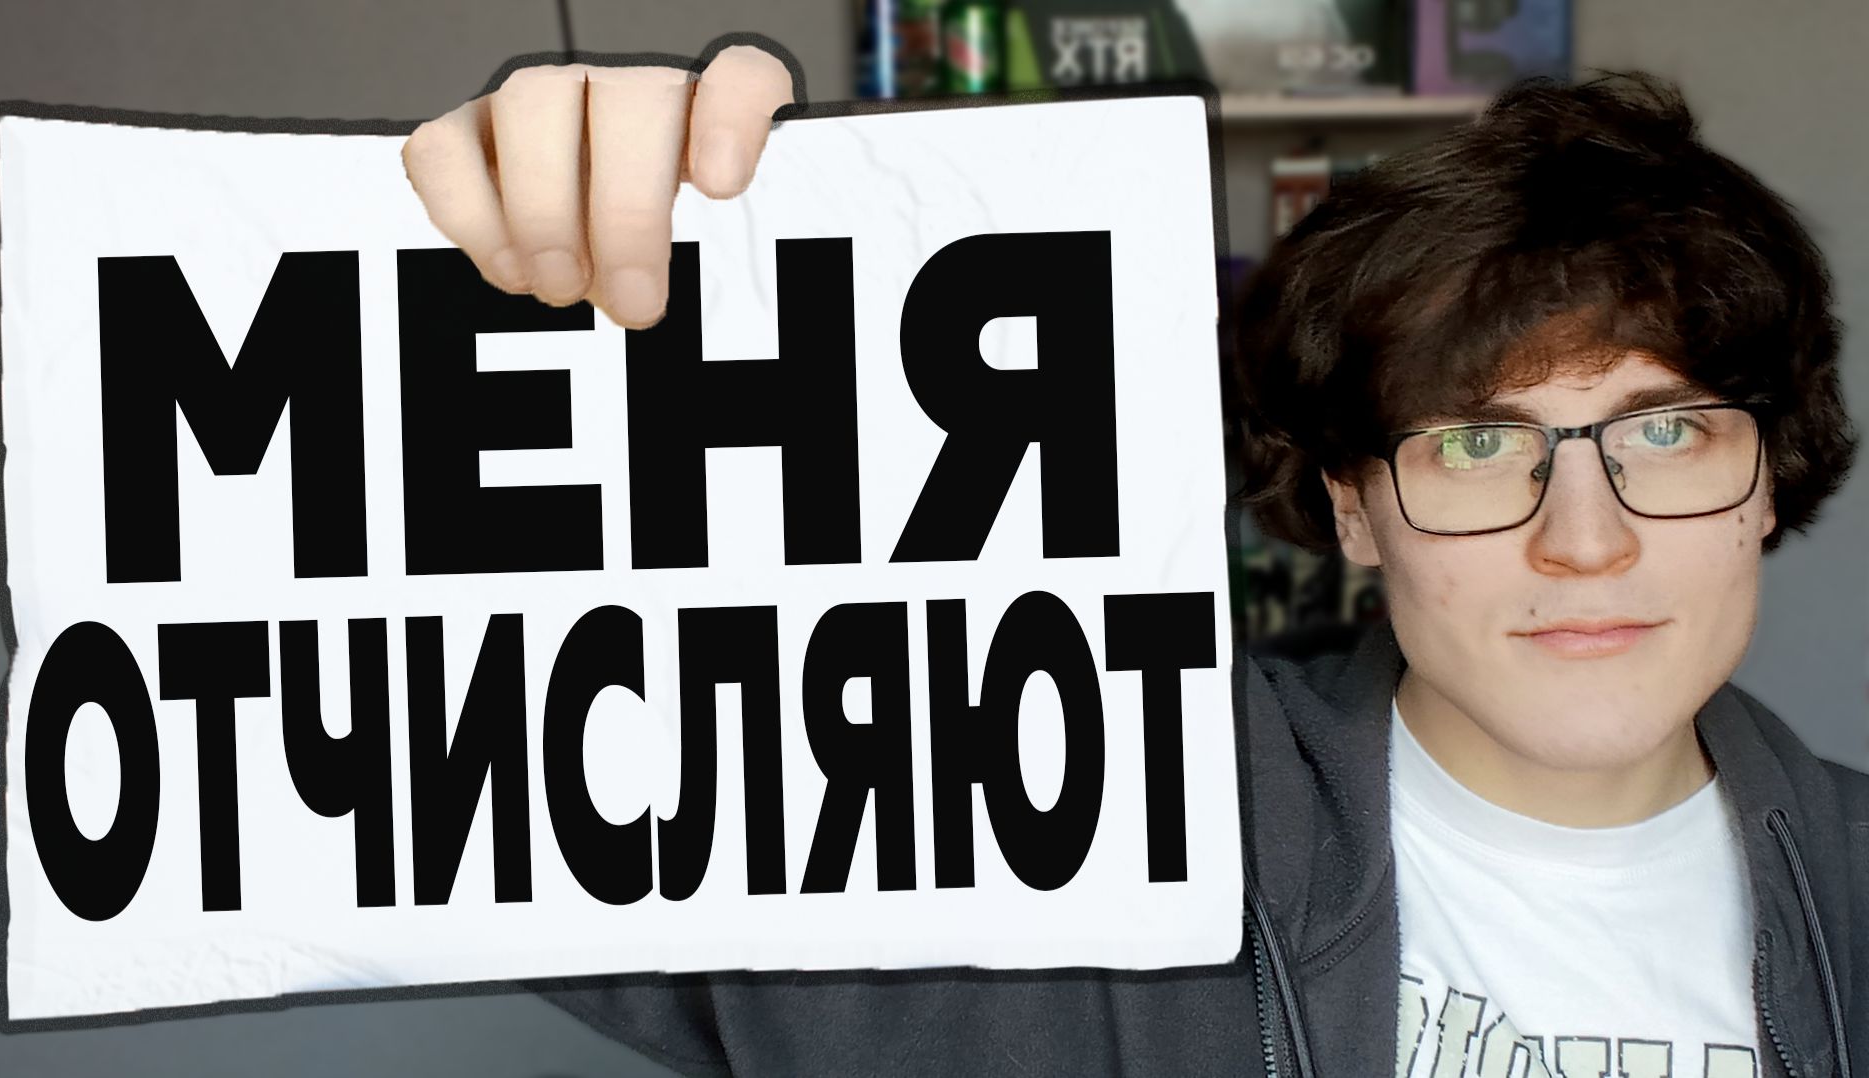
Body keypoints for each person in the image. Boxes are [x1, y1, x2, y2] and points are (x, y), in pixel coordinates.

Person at [402, 40, 1866, 1078]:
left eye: (1665, 431)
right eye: (1478, 445)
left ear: (1766, 479)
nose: (1586, 540)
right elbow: (517, 798)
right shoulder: (1062, 808)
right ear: (1354, 508)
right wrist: (531, 313)